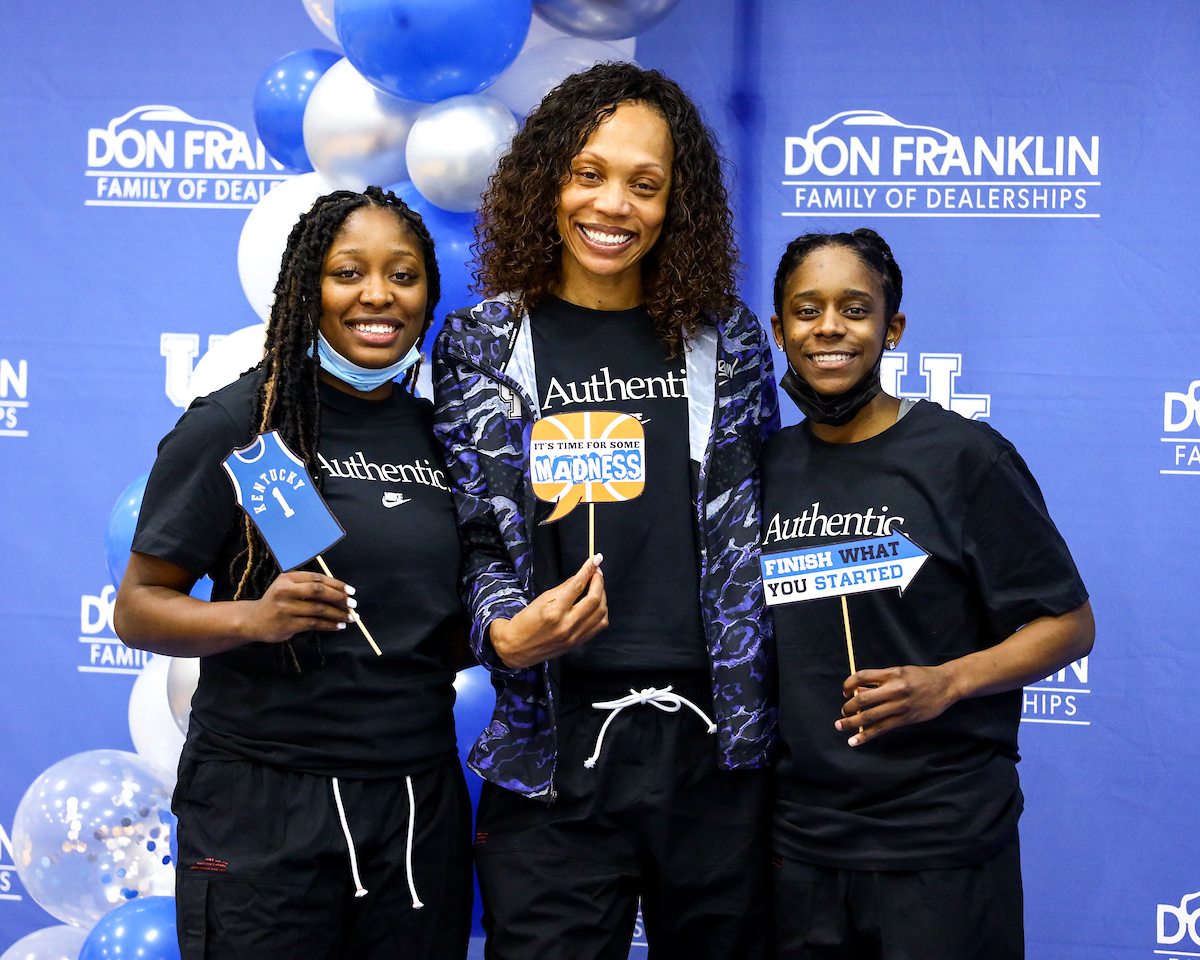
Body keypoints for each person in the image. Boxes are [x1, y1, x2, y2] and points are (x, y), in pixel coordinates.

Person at [432, 63, 778, 960]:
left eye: (644, 184)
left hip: (716, 750)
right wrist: (503, 631)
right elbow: (470, 538)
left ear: (677, 206)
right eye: (588, 174)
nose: (612, 205)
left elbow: (764, 520)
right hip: (552, 755)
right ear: (547, 180)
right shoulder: (483, 343)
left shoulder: (724, 340)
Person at [114, 187, 473, 960]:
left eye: (403, 276)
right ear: (306, 288)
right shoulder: (239, 424)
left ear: (428, 296)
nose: (378, 295)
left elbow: (439, 624)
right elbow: (139, 608)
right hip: (261, 802)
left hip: (414, 803)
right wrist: (253, 618)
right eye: (349, 272)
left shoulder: (445, 438)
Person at [761, 228, 1095, 960]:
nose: (829, 329)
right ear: (780, 328)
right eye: (806, 309)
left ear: (892, 328)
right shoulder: (763, 468)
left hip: (940, 844)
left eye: (854, 309)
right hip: (801, 850)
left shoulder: (965, 457)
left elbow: (1067, 624)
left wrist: (948, 682)